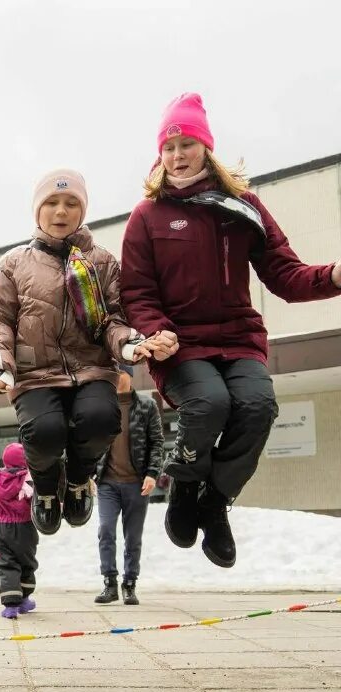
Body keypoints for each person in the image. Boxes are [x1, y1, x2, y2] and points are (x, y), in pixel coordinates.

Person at [120, 93, 341, 568]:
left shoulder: (242, 208)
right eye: (169, 147)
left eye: (187, 144)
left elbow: (286, 275)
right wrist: (156, 331)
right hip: (180, 345)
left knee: (257, 408)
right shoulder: (148, 215)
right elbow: (136, 292)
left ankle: (215, 503)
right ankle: (183, 485)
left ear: (206, 147)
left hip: (238, 339)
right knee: (210, 404)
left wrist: (334, 276)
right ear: (160, 154)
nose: (177, 156)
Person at [0, 169, 161, 535]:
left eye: (71, 203)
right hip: (34, 373)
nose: (61, 211)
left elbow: (115, 317)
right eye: (52, 203)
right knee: (45, 431)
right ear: (37, 210)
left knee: (101, 419)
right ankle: (45, 488)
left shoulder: (102, 262)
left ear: (82, 210)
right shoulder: (14, 262)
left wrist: (129, 343)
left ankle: (78, 480)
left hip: (91, 368)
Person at [93, 366, 164, 604]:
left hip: (137, 483)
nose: (114, 378)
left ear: (129, 375)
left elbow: (156, 442)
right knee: (106, 530)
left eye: (118, 374)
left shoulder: (146, 406)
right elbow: (90, 442)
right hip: (108, 483)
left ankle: (130, 583)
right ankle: (109, 583)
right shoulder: (102, 406)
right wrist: (87, 475)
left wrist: (153, 474)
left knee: (133, 537)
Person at [0, 442, 38, 619]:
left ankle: (10, 606)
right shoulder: (28, 481)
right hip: (24, 528)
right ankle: (23, 599)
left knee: (7, 564)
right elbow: (34, 506)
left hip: (1, 528)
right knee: (26, 563)